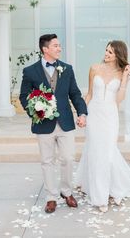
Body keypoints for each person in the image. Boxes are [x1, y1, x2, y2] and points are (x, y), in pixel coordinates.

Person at [20, 34, 87, 214]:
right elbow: (23, 96)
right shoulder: (30, 71)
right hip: (43, 124)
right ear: (45, 49)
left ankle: (66, 192)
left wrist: (82, 113)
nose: (59, 48)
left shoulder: (67, 69)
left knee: (67, 157)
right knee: (47, 161)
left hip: (65, 122)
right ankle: (51, 197)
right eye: (56, 45)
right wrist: (35, 111)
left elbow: (75, 94)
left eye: (59, 45)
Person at [76, 40, 130, 213]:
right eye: (106, 50)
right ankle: (100, 197)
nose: (106, 54)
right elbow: (90, 94)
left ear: (118, 56)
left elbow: (119, 100)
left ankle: (112, 187)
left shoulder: (123, 73)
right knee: (95, 151)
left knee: (107, 153)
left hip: (110, 116)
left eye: (111, 53)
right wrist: (82, 114)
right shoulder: (94, 68)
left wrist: (123, 79)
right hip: (94, 114)